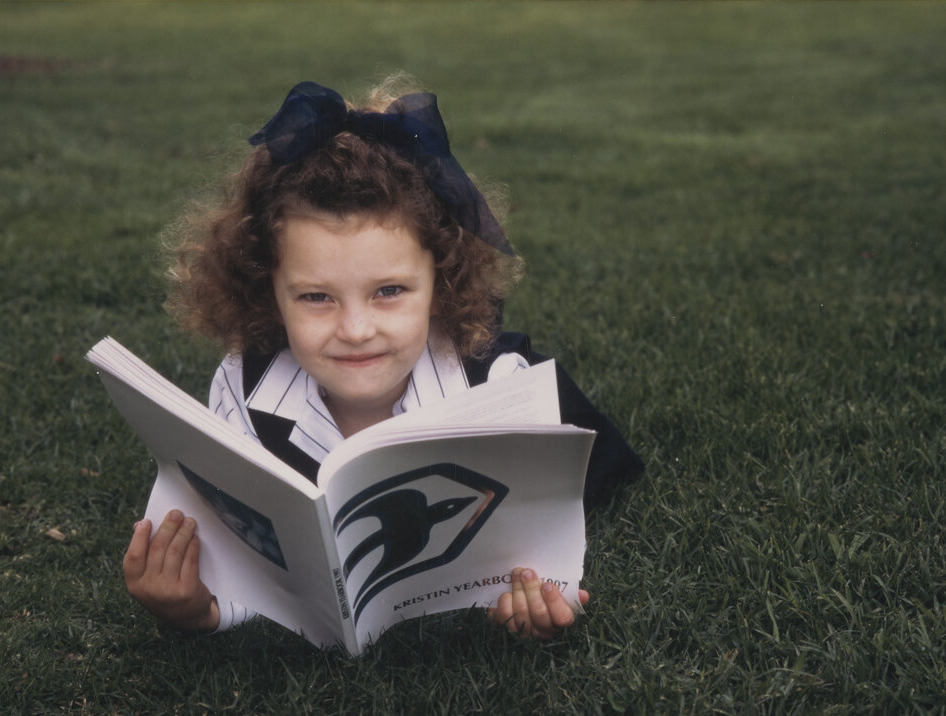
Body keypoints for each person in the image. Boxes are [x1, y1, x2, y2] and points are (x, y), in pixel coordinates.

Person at [123, 76, 643, 641]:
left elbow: (538, 546)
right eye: (316, 297)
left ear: (441, 283)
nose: (356, 330)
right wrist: (200, 610)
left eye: (389, 291)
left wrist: (532, 599)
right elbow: (251, 570)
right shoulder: (242, 388)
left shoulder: (498, 387)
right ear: (268, 291)